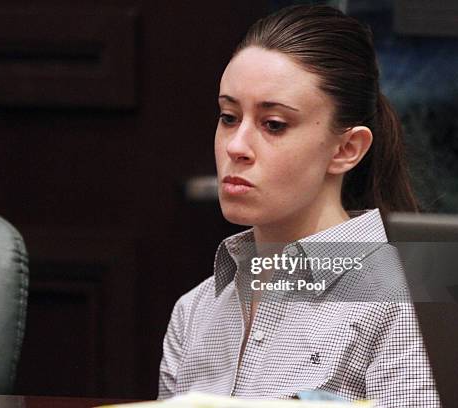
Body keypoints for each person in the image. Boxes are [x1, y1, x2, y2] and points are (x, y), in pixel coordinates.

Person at [157, 4, 440, 407]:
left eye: (274, 124)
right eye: (228, 116)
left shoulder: (410, 301)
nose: (236, 147)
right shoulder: (196, 311)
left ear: (346, 149)